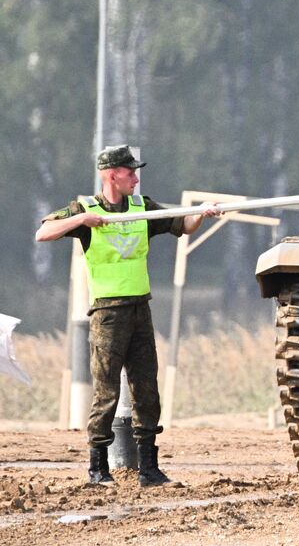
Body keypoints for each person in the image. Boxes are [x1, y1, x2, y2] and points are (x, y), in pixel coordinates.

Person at [35, 145, 220, 487]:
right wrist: (82, 221)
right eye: (130, 172)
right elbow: (43, 232)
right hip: (107, 313)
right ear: (111, 175)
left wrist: (202, 213)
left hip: (140, 309)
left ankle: (149, 468)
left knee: (147, 388)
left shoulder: (142, 207)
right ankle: (98, 468)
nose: (136, 178)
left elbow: (183, 225)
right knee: (107, 392)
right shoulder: (86, 209)